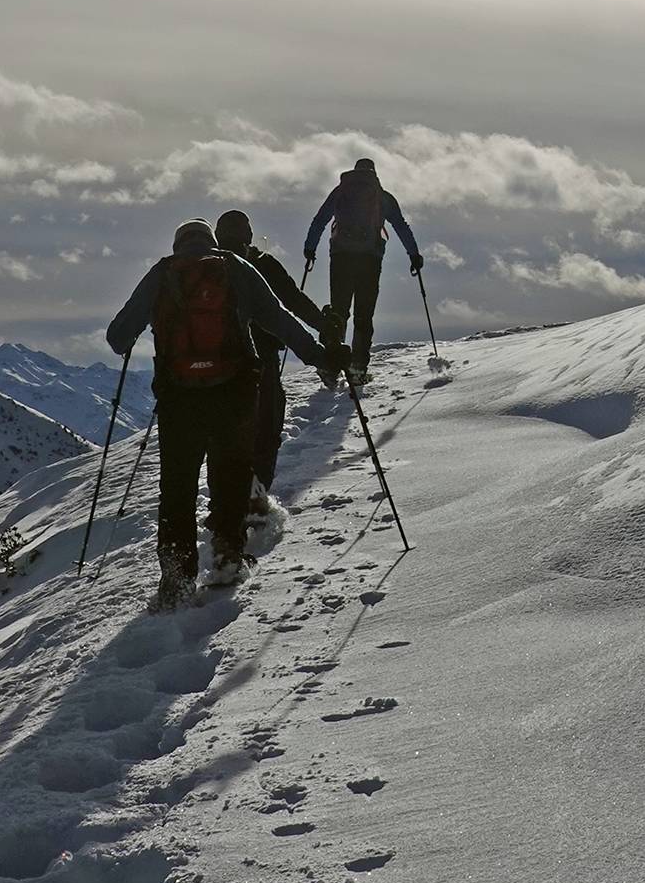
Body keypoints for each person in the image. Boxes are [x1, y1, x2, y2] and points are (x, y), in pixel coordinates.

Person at [108, 218, 335, 607]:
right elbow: (278, 319)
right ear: (211, 242)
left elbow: (117, 337)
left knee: (177, 488)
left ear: (178, 245)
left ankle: (177, 578)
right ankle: (229, 555)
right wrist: (319, 355)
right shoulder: (235, 268)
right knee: (230, 474)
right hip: (234, 393)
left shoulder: (163, 273)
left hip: (180, 400)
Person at [214, 208, 330, 515]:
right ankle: (256, 496)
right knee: (265, 427)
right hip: (260, 359)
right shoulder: (262, 264)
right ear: (249, 237)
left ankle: (223, 507)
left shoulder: (203, 267)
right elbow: (291, 303)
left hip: (214, 367)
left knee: (224, 435)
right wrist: (324, 327)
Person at [303, 157, 423, 369]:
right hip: (370, 259)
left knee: (339, 311)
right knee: (364, 313)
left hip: (341, 257)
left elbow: (320, 219)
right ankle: (358, 366)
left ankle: (331, 364)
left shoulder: (340, 192)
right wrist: (414, 254)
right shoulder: (382, 197)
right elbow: (401, 226)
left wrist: (310, 248)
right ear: (374, 173)